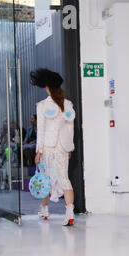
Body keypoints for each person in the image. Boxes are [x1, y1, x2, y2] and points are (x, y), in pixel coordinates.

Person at [31, 68, 76, 227]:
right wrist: (69, 147)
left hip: (48, 148)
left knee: (46, 178)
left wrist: (38, 151)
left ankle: (44, 210)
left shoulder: (42, 105)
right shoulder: (68, 104)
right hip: (63, 147)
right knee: (65, 178)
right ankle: (69, 213)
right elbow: (70, 129)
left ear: (47, 87)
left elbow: (41, 130)